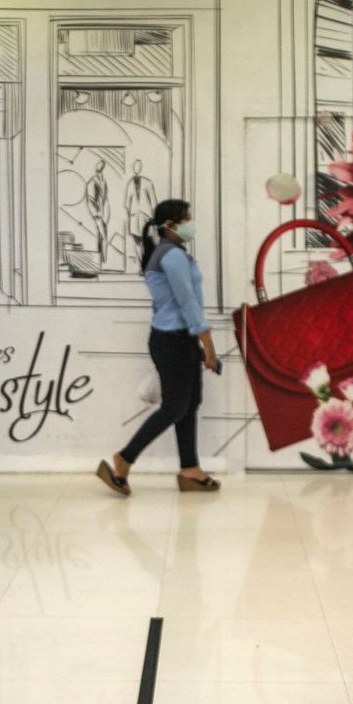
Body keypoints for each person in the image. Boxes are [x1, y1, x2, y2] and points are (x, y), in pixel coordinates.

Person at [97, 199, 220, 495]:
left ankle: (190, 469)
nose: (191, 222)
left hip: (177, 339)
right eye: (186, 218)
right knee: (175, 407)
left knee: (188, 405)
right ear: (169, 225)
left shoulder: (170, 253)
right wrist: (208, 344)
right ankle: (123, 460)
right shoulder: (171, 256)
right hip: (174, 340)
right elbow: (187, 301)